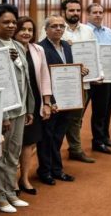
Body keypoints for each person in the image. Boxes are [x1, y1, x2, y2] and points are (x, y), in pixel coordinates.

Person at [0, 3, 35, 213]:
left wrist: (29, 108)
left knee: (13, 154)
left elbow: (25, 80)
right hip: (4, 112)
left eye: (13, 22)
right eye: (5, 22)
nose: (10, 25)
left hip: (21, 109)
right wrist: (3, 114)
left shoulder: (18, 45)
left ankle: (9, 192)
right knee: (0, 156)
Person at [37, 15, 86, 186]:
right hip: (52, 101)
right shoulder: (40, 48)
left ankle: (56, 170)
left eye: (61, 26)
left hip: (68, 100)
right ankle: (45, 171)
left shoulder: (67, 46)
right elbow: (41, 77)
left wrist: (80, 71)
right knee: (47, 138)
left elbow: (70, 70)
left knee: (58, 137)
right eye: (54, 26)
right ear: (46, 29)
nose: (58, 29)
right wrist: (49, 102)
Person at [13, 16, 52, 195]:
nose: (26, 33)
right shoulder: (9, 49)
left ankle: (24, 178)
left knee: (29, 143)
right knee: (14, 143)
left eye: (30, 29)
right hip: (16, 103)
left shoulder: (38, 49)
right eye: (22, 29)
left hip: (33, 102)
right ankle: (12, 180)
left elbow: (45, 76)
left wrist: (46, 102)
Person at [60, 0, 96, 163]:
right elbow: (45, 51)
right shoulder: (57, 28)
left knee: (77, 118)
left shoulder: (88, 30)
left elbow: (93, 53)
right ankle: (56, 153)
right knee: (60, 120)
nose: (75, 13)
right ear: (64, 12)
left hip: (84, 81)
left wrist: (98, 73)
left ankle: (75, 149)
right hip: (63, 82)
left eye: (77, 10)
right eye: (71, 10)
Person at [86, 3, 111, 154]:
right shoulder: (84, 30)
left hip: (104, 78)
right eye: (94, 12)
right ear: (88, 15)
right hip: (86, 78)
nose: (98, 15)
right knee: (76, 116)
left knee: (101, 111)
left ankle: (99, 141)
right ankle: (75, 146)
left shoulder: (109, 32)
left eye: (100, 12)